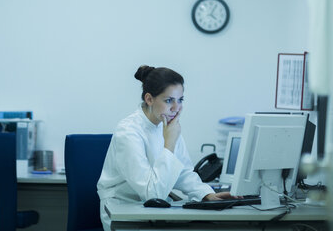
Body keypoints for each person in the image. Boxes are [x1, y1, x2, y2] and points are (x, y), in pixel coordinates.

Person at [97, 65, 235, 230]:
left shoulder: (167, 125)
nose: (177, 108)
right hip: (123, 211)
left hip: (154, 210)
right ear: (149, 99)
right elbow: (152, 194)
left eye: (180, 100)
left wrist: (206, 194)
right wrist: (169, 143)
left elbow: (182, 173)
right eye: (169, 100)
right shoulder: (128, 132)